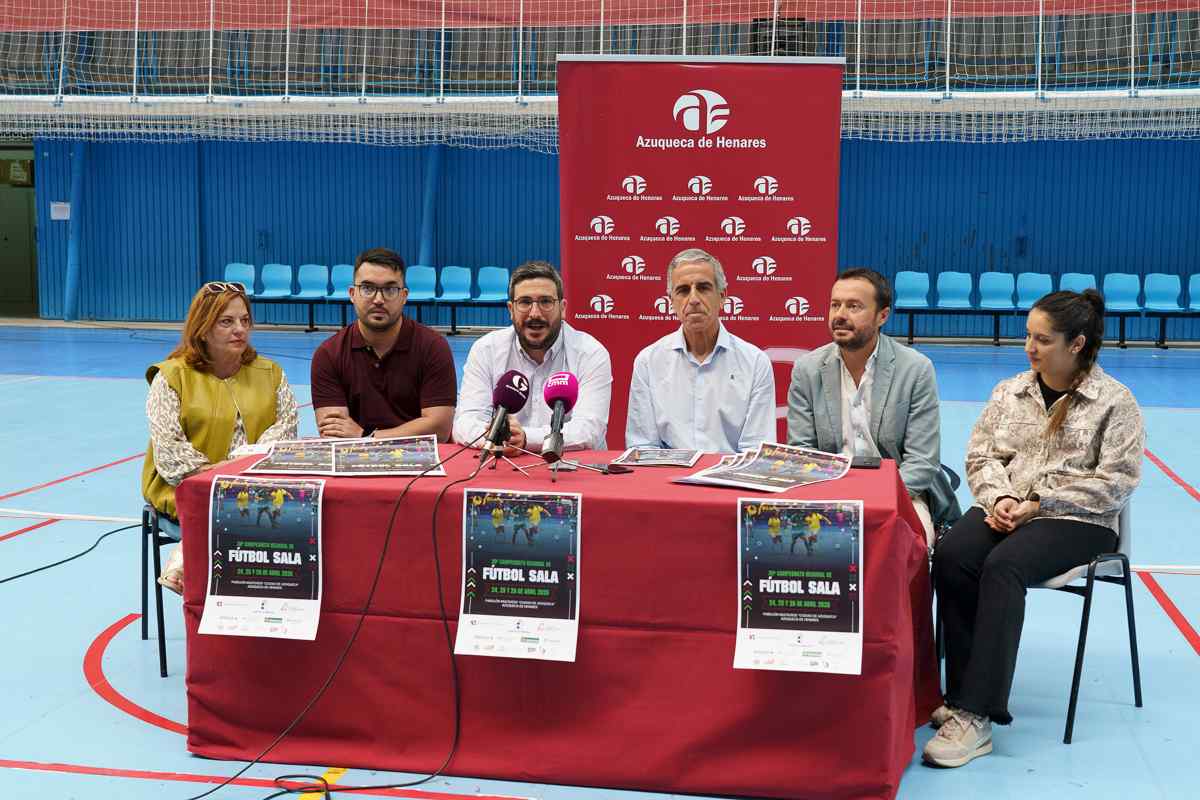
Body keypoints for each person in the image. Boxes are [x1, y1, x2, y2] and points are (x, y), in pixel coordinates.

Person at [924, 289, 1144, 768]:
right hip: (1009, 509)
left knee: (1004, 566)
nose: (1030, 347)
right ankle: (960, 692)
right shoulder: (1010, 391)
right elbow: (981, 456)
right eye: (1028, 335)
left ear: (1077, 344)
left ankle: (979, 716)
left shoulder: (1115, 403)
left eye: (1043, 339)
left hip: (1079, 522)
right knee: (955, 554)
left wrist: (1041, 502)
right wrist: (1001, 498)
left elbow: (1117, 481)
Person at [142, 282, 299, 594]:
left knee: (294, 509)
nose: (239, 329)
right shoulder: (171, 376)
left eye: (245, 320)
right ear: (203, 327)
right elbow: (170, 452)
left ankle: (189, 564)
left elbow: (286, 431)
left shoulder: (271, 373)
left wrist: (242, 475)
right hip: (186, 488)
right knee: (232, 507)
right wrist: (221, 481)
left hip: (256, 485)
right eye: (226, 322)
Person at [786, 268, 960, 545]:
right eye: (835, 305)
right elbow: (802, 451)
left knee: (907, 544)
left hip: (900, 494)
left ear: (883, 316)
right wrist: (839, 499)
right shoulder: (807, 370)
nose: (840, 314)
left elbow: (922, 462)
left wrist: (874, 497)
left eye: (854, 306)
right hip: (828, 493)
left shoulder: (914, 369)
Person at [453, 260, 613, 454]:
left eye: (546, 302)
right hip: (503, 465)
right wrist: (493, 435)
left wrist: (526, 439)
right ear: (511, 310)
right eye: (525, 302)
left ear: (562, 308)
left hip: (573, 469)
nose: (535, 313)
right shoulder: (486, 350)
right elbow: (465, 421)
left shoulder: (590, 353)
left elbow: (589, 430)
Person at [625, 248, 775, 453]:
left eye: (703, 288)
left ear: (722, 297)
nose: (693, 299)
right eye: (683, 290)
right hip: (666, 480)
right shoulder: (648, 362)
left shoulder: (755, 363)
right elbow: (642, 448)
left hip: (730, 481)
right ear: (671, 302)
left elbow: (756, 451)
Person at [311, 248, 457, 442]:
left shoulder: (433, 347)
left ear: (404, 296)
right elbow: (335, 434)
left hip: (422, 463)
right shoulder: (328, 354)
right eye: (368, 288)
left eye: (390, 289)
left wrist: (367, 437)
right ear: (352, 294)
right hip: (353, 463)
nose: (378, 299)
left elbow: (439, 429)